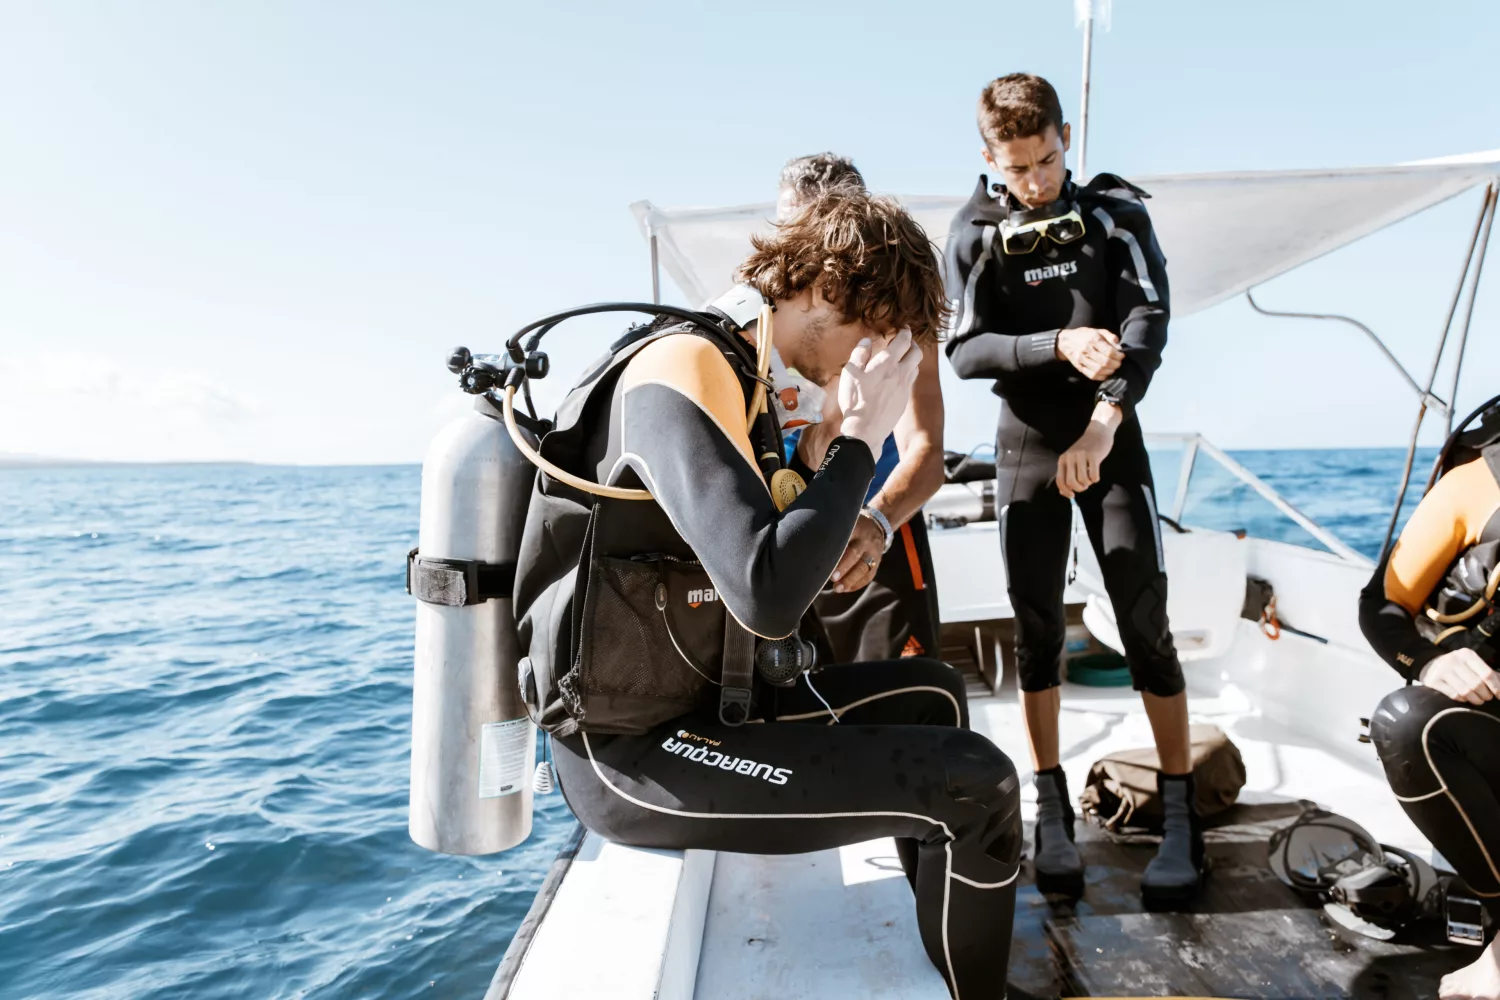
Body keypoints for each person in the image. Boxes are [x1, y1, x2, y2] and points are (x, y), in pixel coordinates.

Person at [515, 191, 1022, 999]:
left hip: (714, 705)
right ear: (826, 286)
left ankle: (946, 966)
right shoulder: (679, 367)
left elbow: (753, 554)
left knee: (933, 694)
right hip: (632, 755)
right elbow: (764, 593)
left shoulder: (742, 374)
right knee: (978, 783)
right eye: (877, 335)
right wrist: (859, 437)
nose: (876, 362)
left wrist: (839, 494)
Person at [943, 73, 1200, 905]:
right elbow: (968, 350)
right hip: (1026, 441)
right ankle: (1051, 813)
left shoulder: (1115, 215)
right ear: (990, 157)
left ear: (1063, 139)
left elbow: (1147, 322)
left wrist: (1103, 421)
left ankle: (1180, 813)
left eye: (1046, 161)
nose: (1035, 181)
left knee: (1142, 616)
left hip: (1107, 435)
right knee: (1037, 628)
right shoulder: (977, 230)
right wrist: (1057, 343)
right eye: (1016, 169)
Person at [777, 153, 947, 664]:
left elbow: (928, 450)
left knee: (909, 716)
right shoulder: (756, 318)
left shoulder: (899, 317)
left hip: (877, 528)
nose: (790, 256)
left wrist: (878, 522)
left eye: (805, 237)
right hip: (783, 539)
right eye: (784, 233)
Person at [1362, 405, 1500, 1000]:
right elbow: (1383, 604)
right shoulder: (1479, 480)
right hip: (1486, 723)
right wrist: (1432, 663)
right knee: (1406, 721)